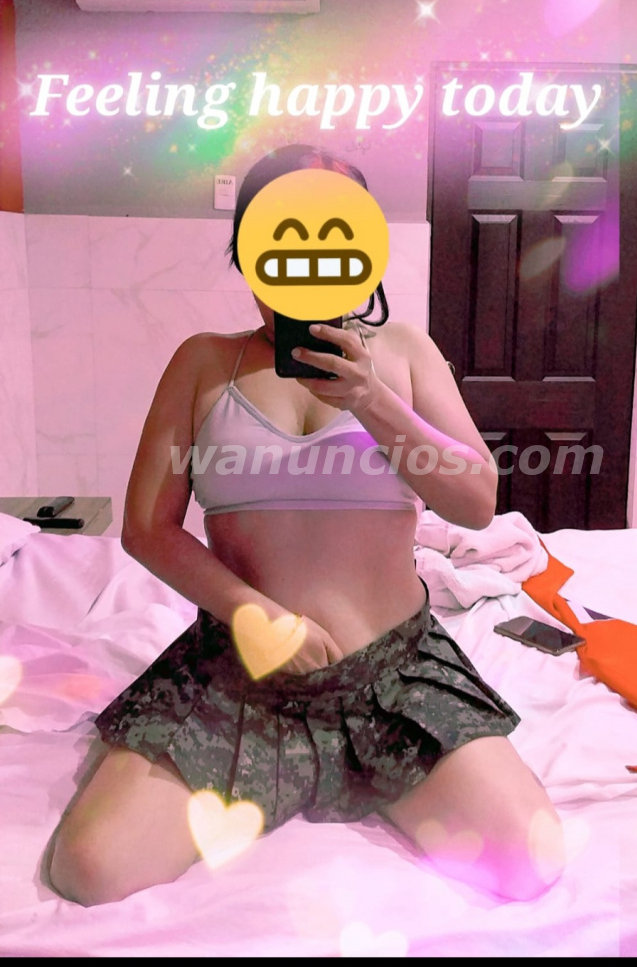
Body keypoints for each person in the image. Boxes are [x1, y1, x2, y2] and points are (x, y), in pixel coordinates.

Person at [47, 145, 565, 907]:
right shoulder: (204, 363)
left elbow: (475, 502)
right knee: (89, 868)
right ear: (249, 250)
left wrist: (372, 399)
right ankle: (278, 775)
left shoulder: (405, 355)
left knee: (528, 860)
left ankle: (346, 773)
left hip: (395, 677)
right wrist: (252, 612)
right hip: (239, 675)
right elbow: (147, 529)